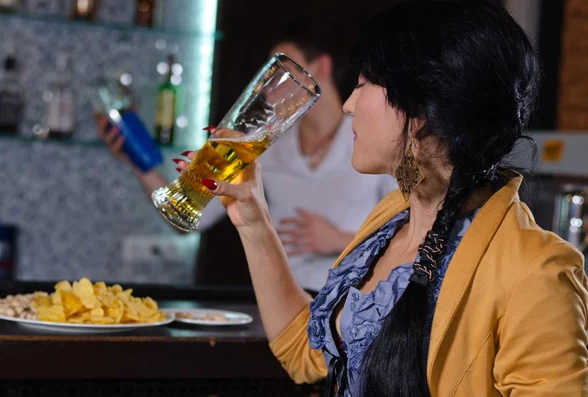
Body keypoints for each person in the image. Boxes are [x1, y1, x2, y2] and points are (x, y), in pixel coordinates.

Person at [178, 1, 588, 396]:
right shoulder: (391, 219)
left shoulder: (536, 271)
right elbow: (306, 355)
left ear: (421, 111)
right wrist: (253, 217)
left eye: (362, 85)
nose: (351, 105)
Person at [95, 17, 397, 293]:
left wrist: (340, 241)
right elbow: (188, 219)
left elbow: (414, 238)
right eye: (268, 74)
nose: (269, 87)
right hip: (284, 303)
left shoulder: (370, 140)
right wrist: (134, 158)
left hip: (351, 304)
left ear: (321, 68)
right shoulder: (265, 144)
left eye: (284, 70)